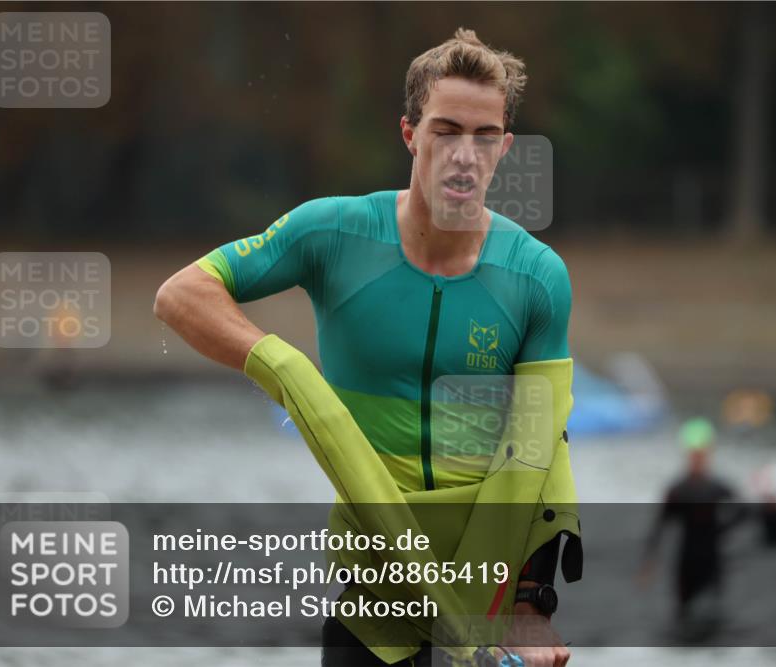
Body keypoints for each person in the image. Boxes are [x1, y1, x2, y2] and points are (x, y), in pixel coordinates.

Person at [155, 28, 577, 667]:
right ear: (410, 134)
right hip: (374, 607)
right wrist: (286, 368)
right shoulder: (334, 233)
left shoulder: (536, 274)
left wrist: (531, 609)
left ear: (505, 148)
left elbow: (542, 448)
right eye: (445, 130)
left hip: (487, 610)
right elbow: (182, 294)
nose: (465, 154)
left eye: (484, 136)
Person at [637, 418, 745, 629]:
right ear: (687, 455)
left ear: (708, 454)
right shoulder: (678, 490)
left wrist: (723, 529)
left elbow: (744, 510)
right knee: (683, 616)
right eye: (694, 454)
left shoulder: (717, 488)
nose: (697, 459)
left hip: (712, 559)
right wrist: (648, 563)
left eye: (701, 454)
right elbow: (659, 526)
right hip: (686, 561)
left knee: (714, 613)